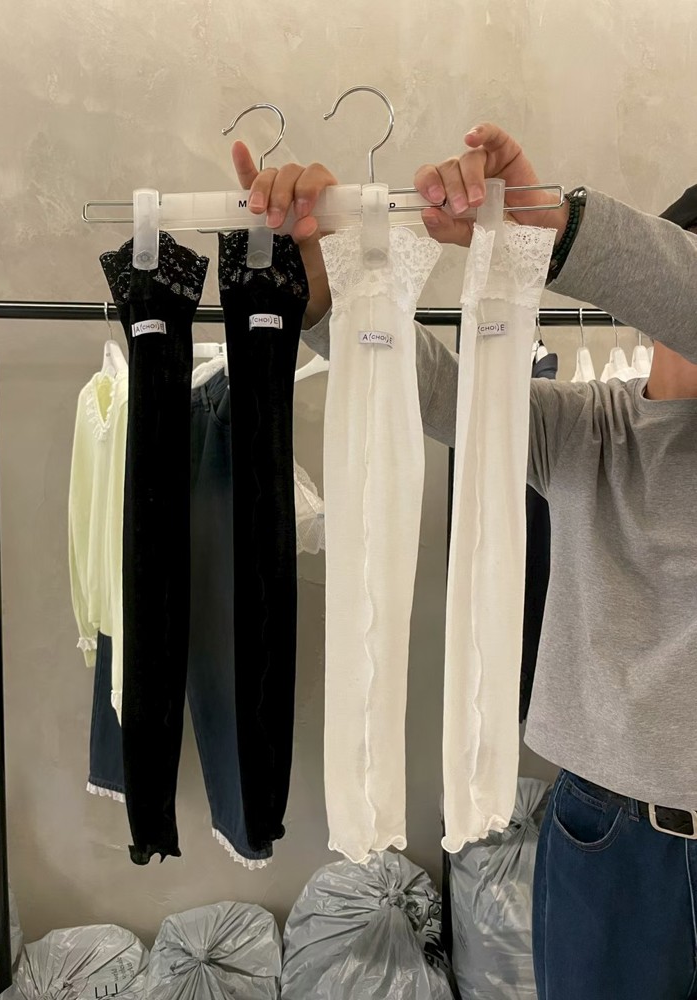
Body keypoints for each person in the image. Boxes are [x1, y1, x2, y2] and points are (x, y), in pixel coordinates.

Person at [232, 124, 697, 1000]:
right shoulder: (590, 429)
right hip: (611, 839)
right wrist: (332, 288)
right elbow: (438, 389)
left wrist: (553, 227)